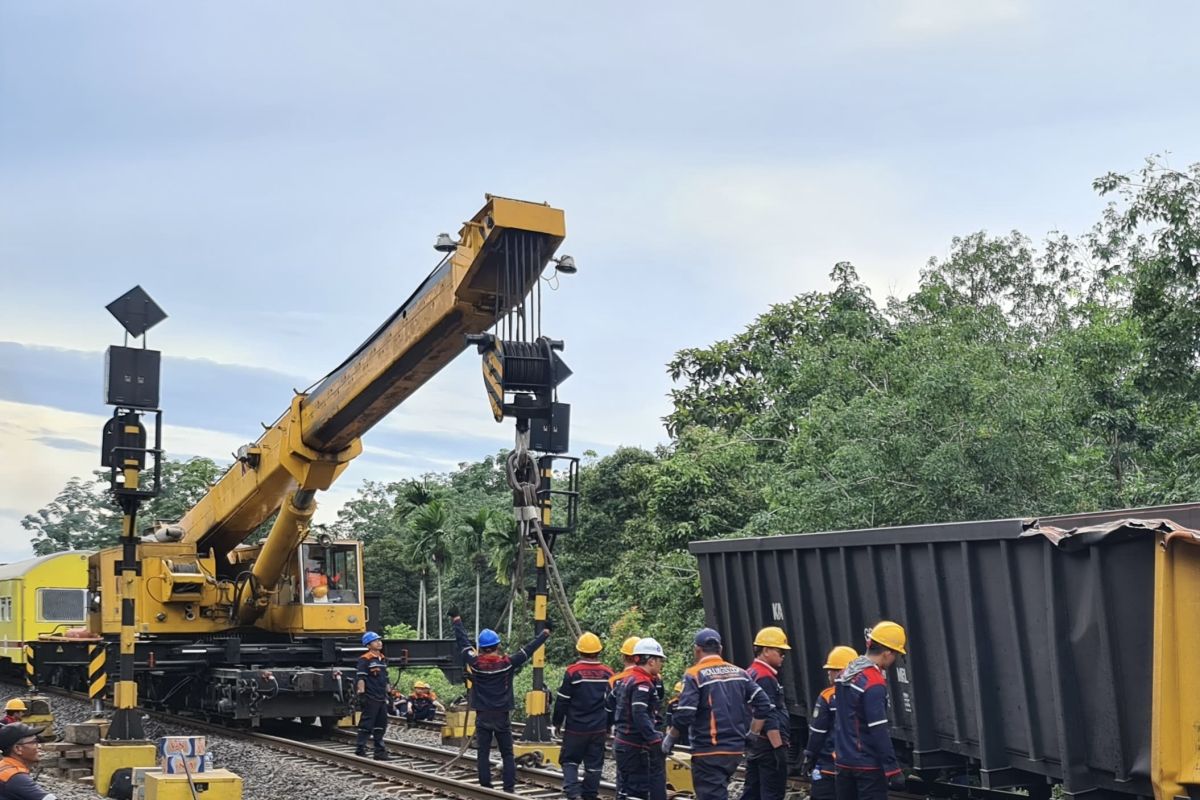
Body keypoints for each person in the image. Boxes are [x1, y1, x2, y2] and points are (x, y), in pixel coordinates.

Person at [665, 628, 773, 800]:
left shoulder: (694, 675)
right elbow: (764, 704)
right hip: (735, 751)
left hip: (708, 750)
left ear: (697, 650)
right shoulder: (740, 673)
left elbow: (685, 714)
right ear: (720, 649)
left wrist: (670, 738)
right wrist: (752, 734)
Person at [451, 611, 551, 793]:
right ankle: (509, 787)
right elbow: (528, 650)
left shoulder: (475, 664)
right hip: (501, 715)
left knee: (483, 752)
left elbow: (463, 643)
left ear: (480, 647)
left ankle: (485, 785)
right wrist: (545, 633)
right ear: (497, 645)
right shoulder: (507, 663)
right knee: (507, 753)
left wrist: (456, 620)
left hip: (483, 714)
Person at [834, 622, 908, 800]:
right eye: (896, 654)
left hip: (843, 762)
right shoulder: (873, 682)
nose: (895, 659)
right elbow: (878, 729)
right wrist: (893, 769)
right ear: (887, 652)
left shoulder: (844, 674)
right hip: (867, 766)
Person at [553, 632, 613, 800]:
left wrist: (556, 723)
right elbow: (611, 704)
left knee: (570, 761)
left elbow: (562, 701)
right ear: (599, 651)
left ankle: (573, 794)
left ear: (579, 651)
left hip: (576, 728)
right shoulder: (608, 673)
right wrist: (609, 725)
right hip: (598, 728)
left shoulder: (573, 672)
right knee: (594, 766)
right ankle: (590, 795)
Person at [609, 637, 668, 800]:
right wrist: (654, 739)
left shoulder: (627, 679)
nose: (661, 664)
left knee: (626, 790)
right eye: (659, 660)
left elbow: (610, 702)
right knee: (637, 791)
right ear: (650, 661)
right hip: (634, 746)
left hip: (625, 743)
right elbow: (639, 713)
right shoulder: (642, 683)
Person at [741, 627, 793, 800]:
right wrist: (778, 748)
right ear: (766, 650)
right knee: (772, 793)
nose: (783, 656)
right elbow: (769, 714)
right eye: (780, 651)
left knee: (752, 792)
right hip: (768, 747)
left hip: (757, 745)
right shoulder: (765, 677)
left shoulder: (751, 672)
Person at [802, 645, 858, 800]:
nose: (829, 673)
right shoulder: (864, 693)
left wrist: (809, 756)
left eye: (832, 669)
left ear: (842, 671)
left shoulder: (828, 696)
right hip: (856, 768)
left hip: (829, 766)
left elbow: (817, 732)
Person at [354, 631, 392, 760]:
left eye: (379, 640)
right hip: (371, 697)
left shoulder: (382, 659)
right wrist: (362, 693)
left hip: (381, 697)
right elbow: (361, 678)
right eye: (375, 641)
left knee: (381, 724)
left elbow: (385, 678)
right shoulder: (365, 659)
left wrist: (389, 693)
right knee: (367, 724)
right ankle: (360, 748)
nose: (379, 642)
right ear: (368, 645)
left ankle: (379, 752)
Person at [0, 722, 56, 800]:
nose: (39, 746)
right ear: (17, 749)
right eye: (34, 742)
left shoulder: (4, 766)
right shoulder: (15, 777)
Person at [663, 681, 689, 747]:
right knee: (674, 744)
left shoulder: (688, 702)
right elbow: (668, 716)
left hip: (686, 728)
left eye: (679, 691)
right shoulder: (672, 703)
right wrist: (668, 727)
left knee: (686, 744)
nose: (677, 693)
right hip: (674, 728)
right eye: (676, 691)